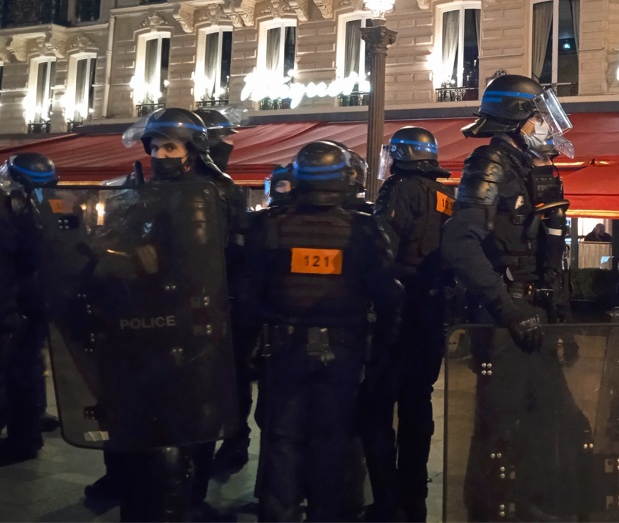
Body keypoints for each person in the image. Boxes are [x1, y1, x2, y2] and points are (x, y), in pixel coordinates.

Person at [441, 74, 592, 521]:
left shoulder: (527, 166)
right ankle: (487, 512)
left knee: (552, 425)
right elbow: (459, 243)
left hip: (533, 317)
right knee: (498, 431)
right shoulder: (490, 162)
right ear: (519, 118)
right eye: (540, 116)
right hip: (507, 324)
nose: (548, 126)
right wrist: (507, 309)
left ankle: (528, 507)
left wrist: (559, 316)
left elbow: (546, 248)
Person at [88, 108, 241, 521]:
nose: (160, 154)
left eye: (169, 146)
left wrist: (149, 260)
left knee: (189, 424)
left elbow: (201, 261)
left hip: (193, 322)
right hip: (144, 322)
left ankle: (188, 498)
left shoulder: (214, 193)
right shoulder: (142, 189)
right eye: (155, 146)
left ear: (192, 150)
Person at [239, 141, 403, 522]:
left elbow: (248, 294)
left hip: (282, 349)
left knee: (281, 441)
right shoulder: (363, 229)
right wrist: (382, 352)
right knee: (332, 442)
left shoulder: (270, 225)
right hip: (342, 351)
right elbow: (388, 294)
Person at [362, 126, 454, 521]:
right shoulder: (445, 196)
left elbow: (382, 247)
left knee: (377, 408)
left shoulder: (399, 188)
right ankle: (414, 496)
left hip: (398, 311)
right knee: (418, 405)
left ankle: (387, 500)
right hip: (432, 312)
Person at [195, 108, 254, 478]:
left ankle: (234, 440)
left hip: (227, 297)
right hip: (199, 295)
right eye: (225, 139)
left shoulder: (225, 189)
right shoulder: (211, 188)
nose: (231, 146)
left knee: (233, 378)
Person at [0, 153, 58, 466]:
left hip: (14, 306)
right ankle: (28, 432)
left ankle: (24, 437)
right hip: (31, 306)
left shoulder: (13, 215)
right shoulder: (46, 211)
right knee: (26, 371)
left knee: (15, 374)